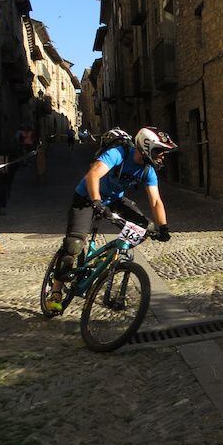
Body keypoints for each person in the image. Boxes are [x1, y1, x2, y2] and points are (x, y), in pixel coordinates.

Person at [47, 127, 178, 312]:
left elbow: (156, 201)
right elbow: (93, 174)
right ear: (146, 147)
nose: (162, 156)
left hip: (114, 200)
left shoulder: (147, 170)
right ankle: (56, 292)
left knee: (144, 227)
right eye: (159, 151)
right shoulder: (118, 153)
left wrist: (163, 227)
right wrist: (96, 201)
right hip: (87, 198)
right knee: (74, 245)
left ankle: (106, 259)